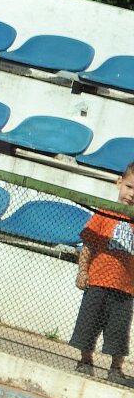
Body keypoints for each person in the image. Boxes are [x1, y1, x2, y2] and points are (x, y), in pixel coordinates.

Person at [71, 162, 134, 382]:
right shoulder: (104, 212)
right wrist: (82, 272)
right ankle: (85, 361)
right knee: (88, 324)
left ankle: (115, 370)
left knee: (119, 331)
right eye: (130, 187)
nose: (132, 194)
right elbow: (88, 244)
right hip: (98, 281)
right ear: (119, 183)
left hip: (125, 288)